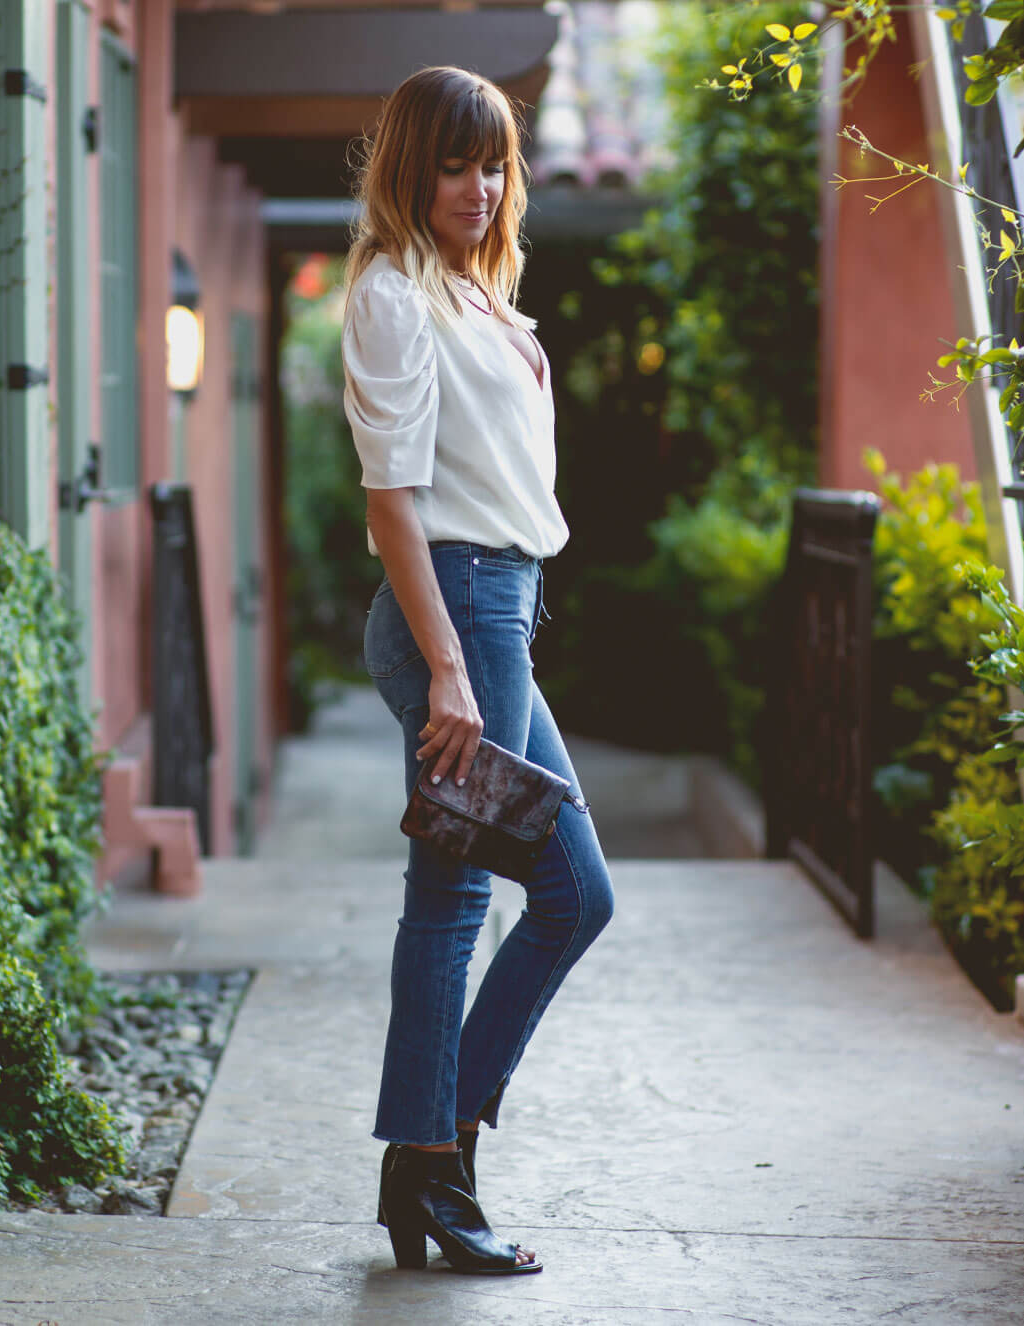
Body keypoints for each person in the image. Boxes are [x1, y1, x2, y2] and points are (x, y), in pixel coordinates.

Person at [340, 66, 615, 1276]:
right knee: (452, 902)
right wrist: (450, 669)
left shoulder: (473, 297)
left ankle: (436, 1150)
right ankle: (428, 1178)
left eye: (493, 161)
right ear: (410, 168)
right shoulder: (395, 296)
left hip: (495, 603)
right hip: (458, 606)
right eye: (453, 162)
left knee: (574, 897)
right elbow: (392, 502)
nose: (478, 184)